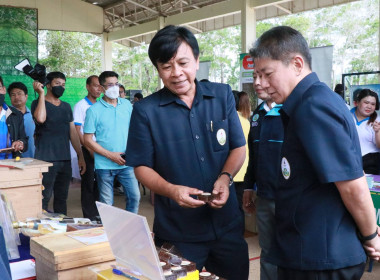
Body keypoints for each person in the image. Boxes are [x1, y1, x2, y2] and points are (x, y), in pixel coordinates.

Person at [250, 25, 380, 279]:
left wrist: (371, 236)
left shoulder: (314, 106)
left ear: (297, 64)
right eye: (257, 75)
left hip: (320, 257)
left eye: (267, 74)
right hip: (307, 248)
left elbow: (351, 184)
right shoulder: (305, 103)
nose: (261, 84)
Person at [125, 25, 249, 280]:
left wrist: (225, 178)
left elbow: (238, 146)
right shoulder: (146, 111)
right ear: (158, 69)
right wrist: (172, 191)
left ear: (196, 60)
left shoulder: (222, 95)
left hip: (227, 226)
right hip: (178, 231)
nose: (177, 73)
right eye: (166, 66)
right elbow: (141, 167)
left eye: (183, 62)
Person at [242, 76, 283, 280]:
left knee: (293, 251)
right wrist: (248, 187)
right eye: (255, 76)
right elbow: (254, 156)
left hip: (291, 198)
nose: (257, 82)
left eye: (265, 76)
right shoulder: (257, 115)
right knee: (267, 251)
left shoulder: (293, 111)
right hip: (265, 196)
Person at [83, 71, 140, 213]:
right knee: (107, 203)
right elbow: (87, 139)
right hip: (105, 165)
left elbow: (135, 130)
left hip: (127, 163)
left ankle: (129, 228)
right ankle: (108, 233)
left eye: (116, 84)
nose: (114, 88)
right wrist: (110, 155)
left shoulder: (127, 105)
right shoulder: (93, 110)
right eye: (110, 85)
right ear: (101, 88)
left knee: (134, 197)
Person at [32, 72, 86, 215]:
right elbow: (41, 119)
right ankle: (40, 231)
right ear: (48, 85)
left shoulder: (66, 107)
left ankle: (61, 229)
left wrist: (80, 155)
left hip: (64, 160)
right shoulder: (37, 103)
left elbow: (73, 133)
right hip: (45, 160)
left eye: (63, 85)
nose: (61, 87)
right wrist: (41, 95)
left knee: (62, 199)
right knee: (44, 198)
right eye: (57, 84)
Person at [73, 75, 102, 219]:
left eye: (100, 86)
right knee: (88, 185)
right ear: (88, 87)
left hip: (101, 150)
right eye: (95, 85)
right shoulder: (81, 106)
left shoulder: (101, 105)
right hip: (87, 149)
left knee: (100, 184)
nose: (98, 89)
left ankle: (98, 216)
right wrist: (89, 149)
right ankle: (89, 217)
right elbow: (78, 131)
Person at [350, 89, 380, 175]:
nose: (369, 107)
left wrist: (377, 132)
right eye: (366, 103)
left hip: (371, 164)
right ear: (357, 102)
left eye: (373, 104)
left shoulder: (377, 120)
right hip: (350, 161)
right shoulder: (347, 116)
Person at [232, 90, 250, 219]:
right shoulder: (246, 121)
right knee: (239, 207)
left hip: (231, 171)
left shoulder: (229, 120)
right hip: (244, 169)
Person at [0, 77, 27, 159]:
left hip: (12, 164)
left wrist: (20, 143)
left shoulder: (15, 114)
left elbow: (23, 138)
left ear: (3, 90)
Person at [8, 82, 35, 158]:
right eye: (13, 95)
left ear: (26, 96)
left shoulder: (34, 115)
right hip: (14, 159)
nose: (16, 97)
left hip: (33, 157)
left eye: (19, 94)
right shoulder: (6, 116)